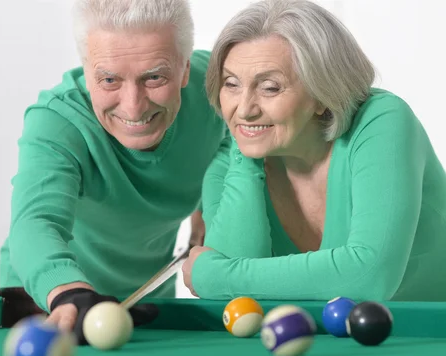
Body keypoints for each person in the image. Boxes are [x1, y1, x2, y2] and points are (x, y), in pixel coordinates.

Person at [181, 0, 446, 302]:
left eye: (269, 87)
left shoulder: (381, 122)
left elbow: (370, 277)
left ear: (323, 93)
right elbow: (233, 301)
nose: (244, 109)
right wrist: (245, 157)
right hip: (325, 347)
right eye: (231, 84)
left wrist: (215, 277)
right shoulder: (226, 166)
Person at [0, 0, 228, 342]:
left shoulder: (216, 87)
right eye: (109, 79)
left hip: (146, 299)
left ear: (183, 68)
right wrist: (68, 293)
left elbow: (242, 137)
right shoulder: (57, 120)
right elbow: (36, 223)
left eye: (154, 77)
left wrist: (211, 203)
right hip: (48, 300)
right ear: (87, 70)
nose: (133, 106)